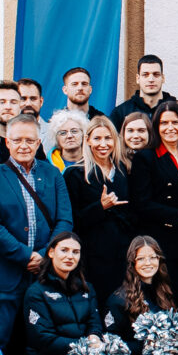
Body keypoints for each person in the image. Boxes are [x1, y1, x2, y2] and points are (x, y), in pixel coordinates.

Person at [0, 116, 72, 355]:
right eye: (17, 140)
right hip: (5, 275)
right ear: (7, 142)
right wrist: (26, 256)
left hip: (44, 273)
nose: (24, 146)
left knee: (44, 338)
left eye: (30, 140)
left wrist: (44, 255)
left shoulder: (53, 174)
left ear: (38, 143)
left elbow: (65, 221)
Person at [131, 100, 178, 283]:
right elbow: (141, 203)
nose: (170, 128)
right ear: (156, 127)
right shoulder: (145, 158)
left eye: (175, 122)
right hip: (163, 242)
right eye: (164, 123)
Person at [66, 115, 134, 302]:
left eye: (107, 138)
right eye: (97, 138)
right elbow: (72, 220)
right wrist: (100, 207)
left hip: (122, 254)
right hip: (93, 257)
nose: (103, 144)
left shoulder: (123, 171)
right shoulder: (76, 174)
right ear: (87, 140)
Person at [121, 54, 173, 125]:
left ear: (163, 78)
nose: (151, 79)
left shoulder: (176, 109)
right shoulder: (122, 112)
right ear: (138, 78)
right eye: (145, 75)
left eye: (156, 74)